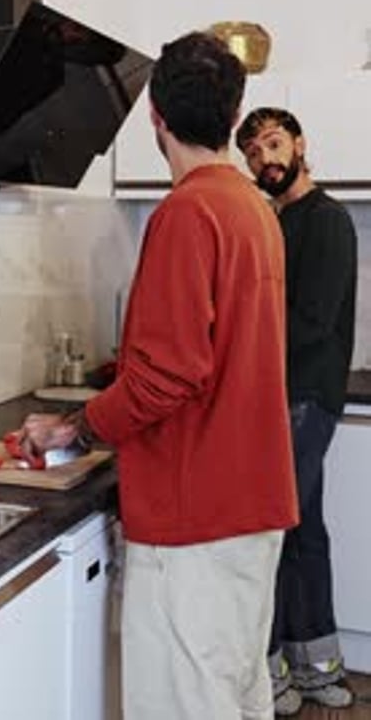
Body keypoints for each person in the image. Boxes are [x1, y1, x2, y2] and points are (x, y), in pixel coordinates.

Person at [19, 33, 298, 720]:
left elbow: (166, 378)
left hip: (194, 518)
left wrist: (74, 426)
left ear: (155, 119)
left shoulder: (187, 213)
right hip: (249, 506)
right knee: (234, 693)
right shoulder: (255, 212)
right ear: (235, 120)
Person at [235, 107, 357, 716]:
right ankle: (319, 667)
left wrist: (234, 353)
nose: (266, 160)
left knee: (276, 532)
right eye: (253, 154)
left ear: (300, 144)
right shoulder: (271, 219)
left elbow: (309, 322)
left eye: (274, 144)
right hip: (282, 395)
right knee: (303, 528)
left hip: (306, 396)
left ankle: (275, 671)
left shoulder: (326, 221)